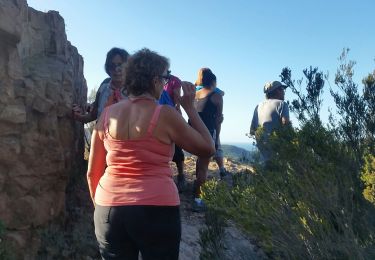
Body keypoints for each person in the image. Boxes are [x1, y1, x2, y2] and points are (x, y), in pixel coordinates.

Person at [87, 48, 215, 259]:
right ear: (155, 80)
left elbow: (93, 172)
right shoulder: (164, 114)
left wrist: (102, 205)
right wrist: (190, 109)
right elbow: (207, 148)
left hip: (108, 205)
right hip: (157, 208)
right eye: (165, 78)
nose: (165, 84)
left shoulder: (108, 114)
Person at [193, 68, 223, 211]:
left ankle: (195, 186)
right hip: (207, 133)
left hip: (191, 132)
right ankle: (198, 200)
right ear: (213, 82)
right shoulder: (216, 96)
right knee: (204, 166)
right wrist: (217, 140)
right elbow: (218, 121)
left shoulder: (195, 94)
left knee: (200, 160)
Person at [72, 47, 129, 123]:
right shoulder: (104, 87)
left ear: (128, 67)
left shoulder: (135, 90)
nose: (116, 69)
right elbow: (93, 115)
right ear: (108, 68)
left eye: (120, 65)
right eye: (112, 66)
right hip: (101, 133)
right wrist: (78, 116)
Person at [159, 75, 186, 192]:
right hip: (163, 121)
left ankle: (180, 176)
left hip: (166, 120)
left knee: (176, 149)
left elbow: (175, 101)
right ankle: (179, 176)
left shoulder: (173, 82)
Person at [249, 80, 290, 161]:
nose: (284, 92)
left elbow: (252, 131)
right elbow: (286, 125)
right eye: (282, 89)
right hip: (277, 149)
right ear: (277, 91)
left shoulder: (258, 106)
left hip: (262, 150)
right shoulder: (282, 104)